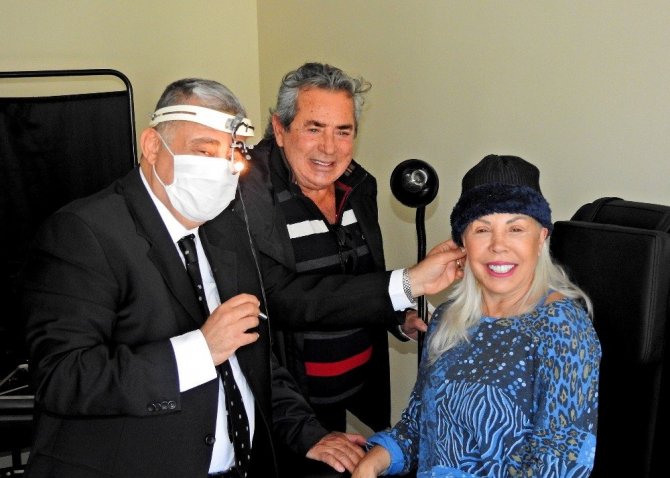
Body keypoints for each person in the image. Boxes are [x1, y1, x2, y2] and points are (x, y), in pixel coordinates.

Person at [20, 78, 377, 478]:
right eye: (204, 151)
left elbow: (252, 356)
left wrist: (307, 433)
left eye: (231, 153)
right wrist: (200, 350)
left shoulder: (226, 228)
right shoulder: (85, 233)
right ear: (152, 146)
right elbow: (63, 377)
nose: (220, 168)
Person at [353, 154, 602, 478]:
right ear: (463, 242)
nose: (498, 245)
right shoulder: (448, 318)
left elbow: (561, 462)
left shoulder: (563, 328)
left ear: (541, 238)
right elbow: (418, 426)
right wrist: (371, 463)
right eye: (482, 229)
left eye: (516, 228)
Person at [236, 62, 428, 437]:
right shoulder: (246, 194)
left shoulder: (358, 186)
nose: (329, 148)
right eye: (314, 129)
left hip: (350, 398)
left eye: (343, 131)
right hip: (286, 414)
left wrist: (398, 314)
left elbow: (360, 276)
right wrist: (407, 282)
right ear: (280, 129)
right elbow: (280, 297)